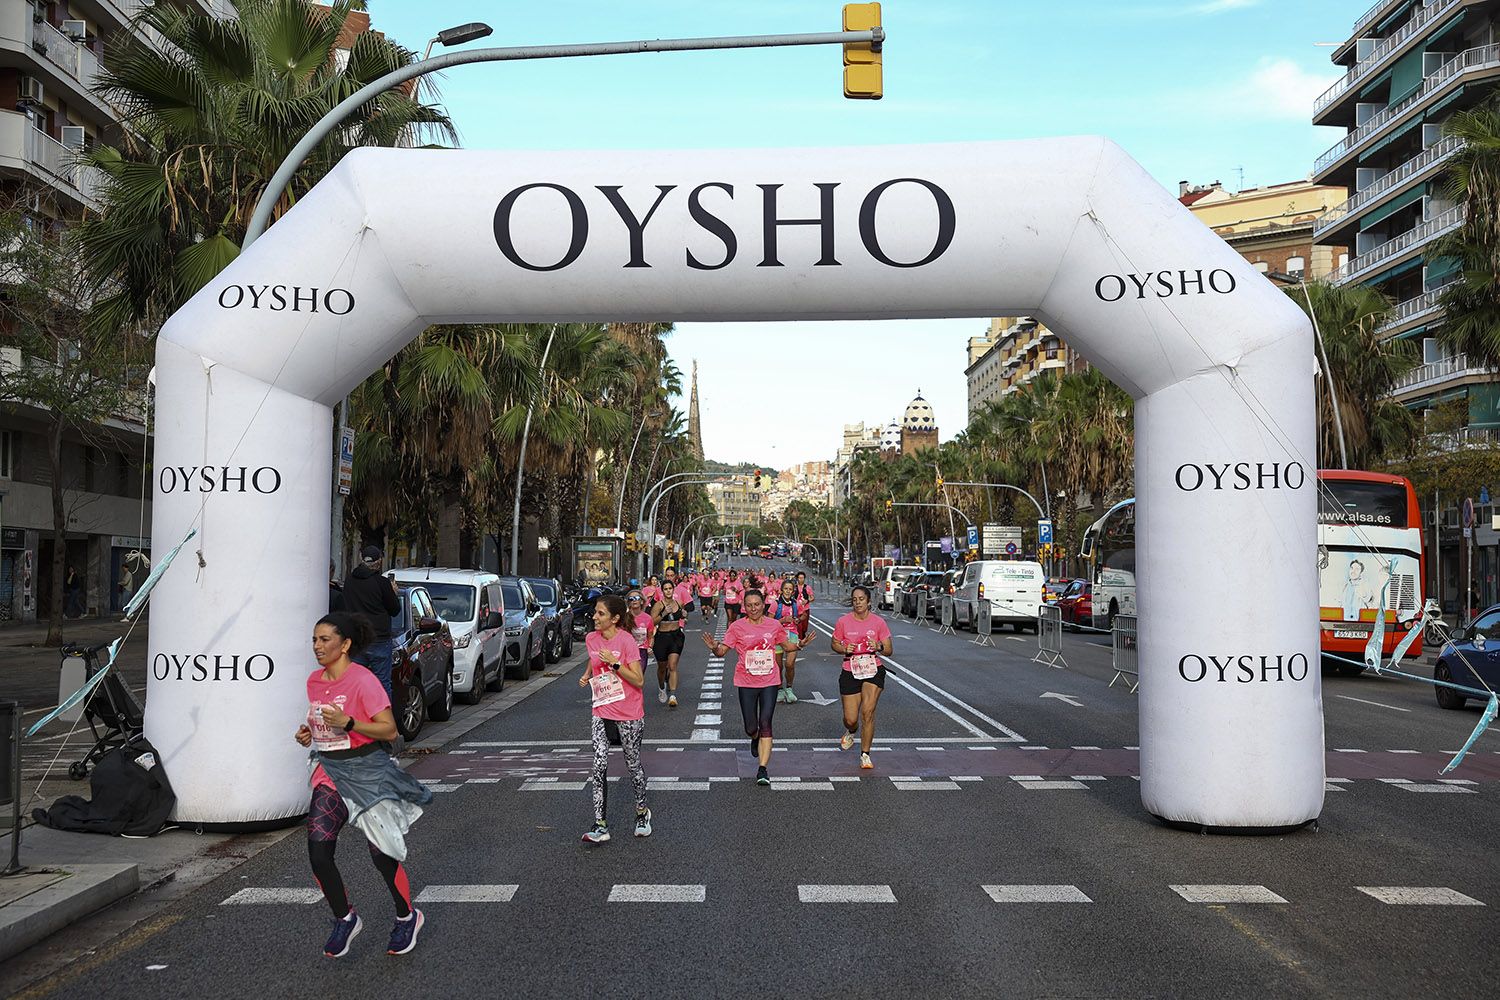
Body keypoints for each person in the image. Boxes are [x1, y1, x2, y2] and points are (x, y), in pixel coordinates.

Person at [295, 612, 432, 958]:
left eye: (325, 640)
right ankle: (345, 917)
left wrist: (350, 721)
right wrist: (309, 732)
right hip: (331, 774)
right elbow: (322, 720)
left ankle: (406, 917)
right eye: (314, 639)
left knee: (381, 855)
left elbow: (389, 731)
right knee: (318, 850)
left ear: (345, 645)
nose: (317, 646)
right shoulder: (314, 680)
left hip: (368, 774)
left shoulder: (363, 680)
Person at [702, 589, 807, 786]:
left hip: (770, 680)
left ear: (763, 605)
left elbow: (786, 646)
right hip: (746, 681)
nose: (753, 609)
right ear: (744, 607)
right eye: (749, 605)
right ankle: (754, 736)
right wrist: (715, 647)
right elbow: (722, 652)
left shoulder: (774, 625)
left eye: (757, 604)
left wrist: (800, 645)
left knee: (766, 721)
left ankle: (763, 769)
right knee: (751, 726)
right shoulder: (737, 627)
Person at [579, 594, 651, 843]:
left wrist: (616, 664)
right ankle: (600, 824)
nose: (594, 617)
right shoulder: (591, 638)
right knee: (598, 765)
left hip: (628, 712)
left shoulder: (627, 641)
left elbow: (639, 681)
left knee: (632, 765)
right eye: (595, 613)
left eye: (600, 614)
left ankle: (642, 812)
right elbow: (593, 657)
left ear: (615, 618)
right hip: (601, 709)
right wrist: (587, 674)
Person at [830, 585, 894, 770]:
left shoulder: (879, 623)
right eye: (855, 599)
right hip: (850, 670)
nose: (858, 602)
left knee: (867, 711)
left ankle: (865, 754)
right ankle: (851, 730)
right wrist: (843, 648)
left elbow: (889, 650)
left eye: (861, 599)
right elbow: (834, 643)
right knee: (851, 718)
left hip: (873, 669)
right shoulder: (843, 622)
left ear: (868, 602)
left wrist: (879, 646)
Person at [341, 545, 401, 698]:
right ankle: (383, 718)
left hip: (357, 638)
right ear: (379, 562)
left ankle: (354, 716)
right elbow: (395, 610)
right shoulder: (382, 583)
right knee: (382, 683)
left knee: (353, 681)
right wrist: (393, 593)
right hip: (379, 638)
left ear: (361, 559)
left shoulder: (349, 581)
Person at [768, 580, 806, 703]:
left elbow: (803, 615)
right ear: (781, 590)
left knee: (789, 664)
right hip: (778, 636)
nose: (788, 591)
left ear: (793, 591)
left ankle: (789, 688)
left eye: (790, 589)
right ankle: (779, 689)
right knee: (778, 666)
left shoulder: (796, 603)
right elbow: (769, 622)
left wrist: (798, 620)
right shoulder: (775, 604)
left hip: (792, 635)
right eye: (786, 589)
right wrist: (782, 620)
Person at [651, 585, 688, 708]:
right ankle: (662, 686)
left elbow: (683, 616)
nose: (668, 591)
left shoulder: (679, 603)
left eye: (670, 589)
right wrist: (664, 613)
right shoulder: (658, 605)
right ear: (662, 591)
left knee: (672, 665)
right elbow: (652, 622)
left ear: (673, 590)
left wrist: (683, 614)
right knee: (662, 667)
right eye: (665, 589)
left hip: (676, 636)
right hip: (662, 637)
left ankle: (673, 695)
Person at [626, 591, 655, 684]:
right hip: (627, 652)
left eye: (637, 598)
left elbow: (650, 636)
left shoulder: (647, 618)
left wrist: (650, 647)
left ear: (642, 601)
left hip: (641, 651)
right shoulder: (624, 617)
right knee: (627, 678)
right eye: (631, 599)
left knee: (638, 678)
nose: (634, 601)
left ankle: (636, 697)